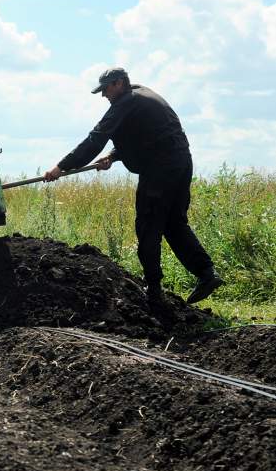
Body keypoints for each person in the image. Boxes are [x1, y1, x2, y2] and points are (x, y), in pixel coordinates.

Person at [44, 67, 222, 306]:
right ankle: (207, 273)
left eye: (106, 89)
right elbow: (146, 135)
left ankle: (154, 290)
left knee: (148, 226)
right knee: (173, 223)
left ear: (119, 83)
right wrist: (114, 156)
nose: (104, 95)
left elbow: (94, 139)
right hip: (181, 162)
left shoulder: (126, 102)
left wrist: (61, 167)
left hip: (160, 169)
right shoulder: (143, 95)